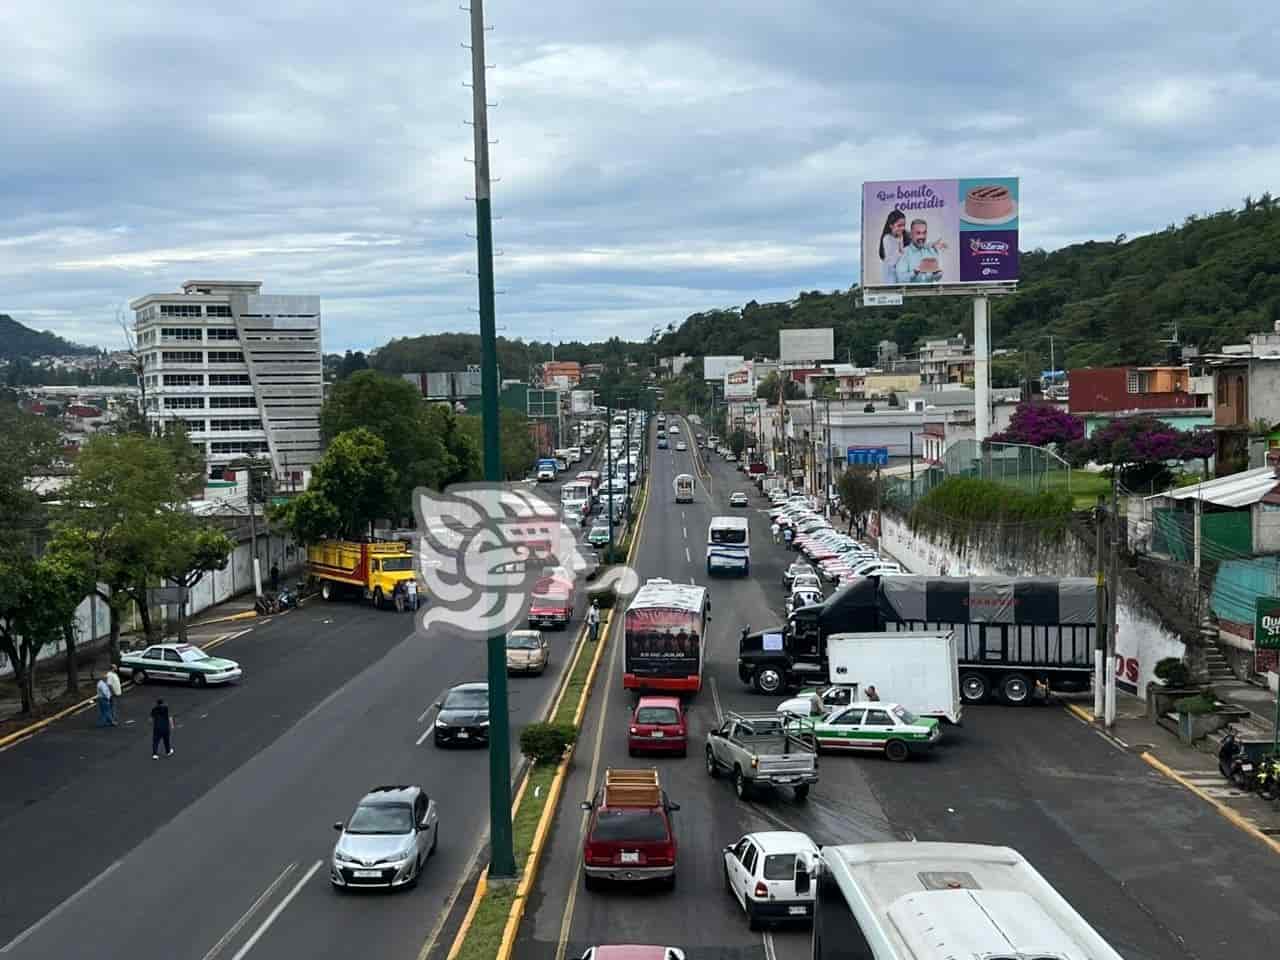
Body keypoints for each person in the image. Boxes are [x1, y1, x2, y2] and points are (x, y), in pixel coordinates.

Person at [894, 218, 948, 284]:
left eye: (924, 233)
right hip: (910, 293)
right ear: (911, 235)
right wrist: (914, 272)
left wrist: (937, 274)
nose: (922, 237)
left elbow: (937, 278)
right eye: (918, 233)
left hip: (930, 292)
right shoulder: (904, 253)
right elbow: (900, 279)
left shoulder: (932, 251)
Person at [878, 209, 907, 284]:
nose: (902, 228)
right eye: (899, 225)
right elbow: (892, 261)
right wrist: (901, 250)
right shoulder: (887, 238)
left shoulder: (901, 236)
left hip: (899, 276)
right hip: (890, 277)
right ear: (891, 226)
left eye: (904, 225)